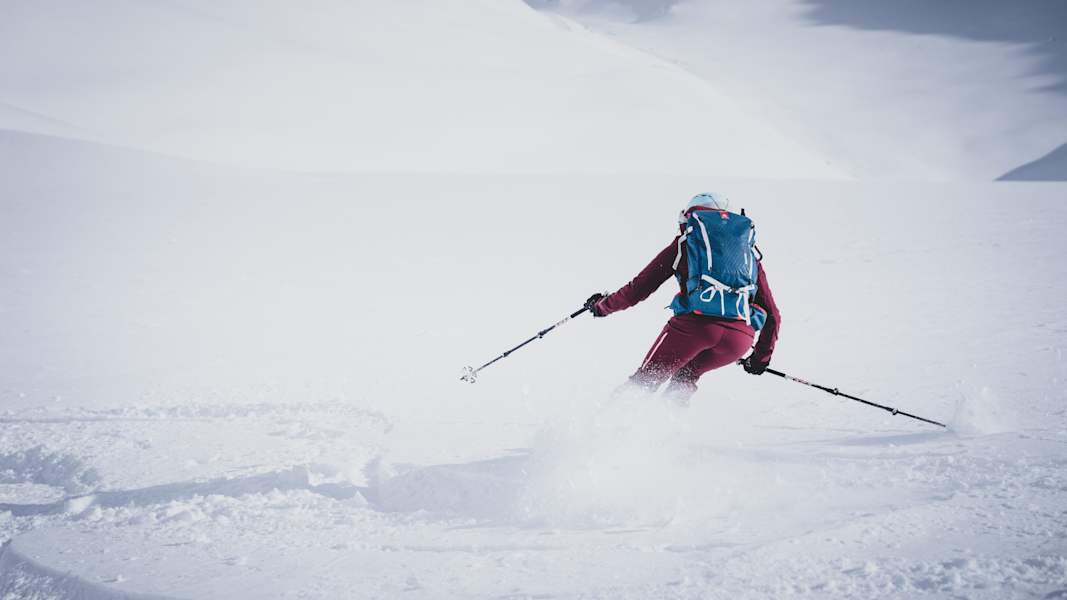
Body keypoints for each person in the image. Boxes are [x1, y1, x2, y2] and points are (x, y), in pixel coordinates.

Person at [585, 193, 781, 405]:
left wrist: (602, 306)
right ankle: (668, 430)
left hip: (693, 329)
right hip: (739, 338)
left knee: (644, 382)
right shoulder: (748, 254)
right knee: (686, 377)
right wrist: (760, 358)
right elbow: (773, 314)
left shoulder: (685, 244)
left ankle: (604, 425)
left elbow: (638, 289)